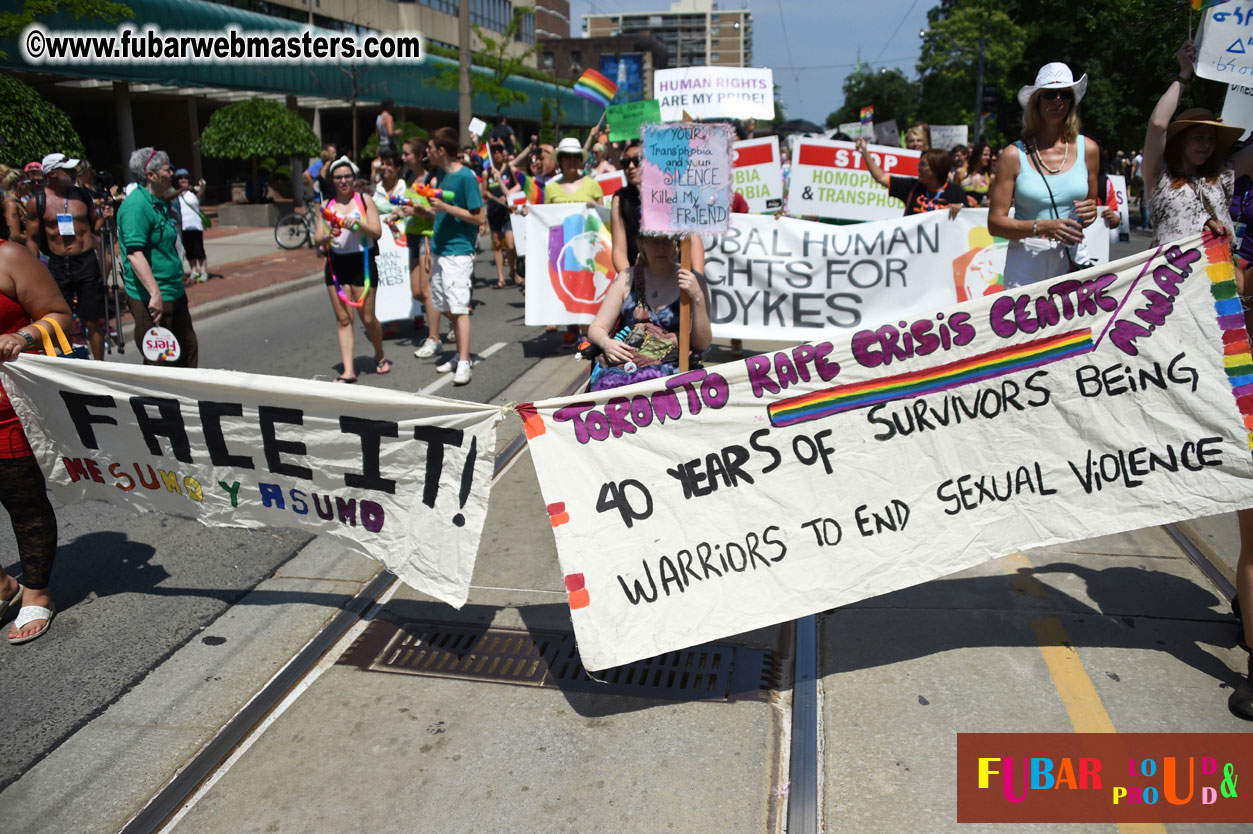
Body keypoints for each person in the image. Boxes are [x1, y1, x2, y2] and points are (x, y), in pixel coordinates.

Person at [0, 240, 72, 644]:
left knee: (23, 503)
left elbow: (59, 315)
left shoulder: (7, 258)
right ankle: (2, 586)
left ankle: (36, 591)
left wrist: (22, 336)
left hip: (8, 410)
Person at [987, 62, 1099, 288]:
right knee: (1022, 323)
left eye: (1065, 94)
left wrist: (1091, 213)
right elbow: (995, 224)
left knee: (1075, 324)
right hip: (1026, 259)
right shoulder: (1013, 154)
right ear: (1036, 101)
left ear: (1072, 102)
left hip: (1072, 257)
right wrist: (1043, 227)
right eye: (1049, 95)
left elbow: (1089, 208)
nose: (1057, 100)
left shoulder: (1088, 149)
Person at [587, 233, 711, 392]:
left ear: (676, 244)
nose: (661, 248)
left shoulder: (694, 280)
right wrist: (606, 343)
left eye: (666, 241)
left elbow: (702, 343)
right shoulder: (627, 277)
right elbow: (597, 327)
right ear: (642, 243)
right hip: (623, 368)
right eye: (654, 241)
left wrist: (698, 297)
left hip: (670, 372)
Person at [118, 147, 199, 367]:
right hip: (150, 298)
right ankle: (163, 402)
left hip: (173, 290)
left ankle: (187, 401)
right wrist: (154, 293)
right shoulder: (136, 206)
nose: (171, 173)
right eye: (167, 170)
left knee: (188, 350)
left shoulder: (158, 202)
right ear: (151, 175)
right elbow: (135, 254)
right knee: (162, 363)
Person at [25, 153, 110, 361]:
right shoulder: (38, 202)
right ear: (52, 174)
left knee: (93, 320)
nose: (74, 173)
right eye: (68, 170)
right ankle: (68, 364)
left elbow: (95, 227)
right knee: (60, 320)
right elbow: (32, 239)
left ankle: (99, 367)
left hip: (86, 261)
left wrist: (106, 217)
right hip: (58, 265)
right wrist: (34, 272)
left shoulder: (82, 195)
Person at [312, 156, 388, 382]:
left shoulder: (364, 200)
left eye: (347, 177)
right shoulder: (326, 205)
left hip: (362, 263)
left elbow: (377, 231)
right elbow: (318, 237)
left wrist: (358, 224)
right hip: (336, 264)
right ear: (332, 181)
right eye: (338, 178)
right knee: (344, 318)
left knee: (367, 317)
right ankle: (348, 371)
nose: (343, 181)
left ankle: (379, 354)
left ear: (354, 179)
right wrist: (329, 234)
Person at [426, 127, 485, 385]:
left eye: (429, 149)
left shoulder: (466, 178)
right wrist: (416, 210)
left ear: (441, 151)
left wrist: (446, 207)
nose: (426, 154)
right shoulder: (441, 174)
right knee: (447, 306)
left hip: (458, 253)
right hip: (440, 250)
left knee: (459, 308)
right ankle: (459, 354)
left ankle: (463, 362)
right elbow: (440, 213)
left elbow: (478, 217)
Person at [398, 137, 441, 358]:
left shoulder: (431, 180)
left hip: (427, 238)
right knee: (416, 292)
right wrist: (398, 213)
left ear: (418, 155)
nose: (403, 158)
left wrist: (418, 212)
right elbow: (407, 207)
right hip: (412, 237)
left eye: (406, 154)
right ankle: (452, 318)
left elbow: (438, 214)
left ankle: (434, 338)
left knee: (426, 291)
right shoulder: (408, 178)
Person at [856, 137, 969, 217]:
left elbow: (971, 217)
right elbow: (881, 178)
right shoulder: (912, 187)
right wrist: (865, 153)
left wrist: (961, 208)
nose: (918, 167)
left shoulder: (956, 192)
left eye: (922, 164)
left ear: (936, 168)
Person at [482, 142, 522, 289]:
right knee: (497, 244)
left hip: (508, 211)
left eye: (499, 151)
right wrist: (492, 197)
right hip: (494, 211)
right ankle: (500, 278)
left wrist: (508, 195)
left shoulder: (509, 169)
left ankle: (512, 270)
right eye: (494, 152)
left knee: (510, 245)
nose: (496, 154)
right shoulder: (487, 172)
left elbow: (519, 185)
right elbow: (484, 192)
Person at [174, 169, 209, 284]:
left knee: (199, 249)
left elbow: (201, 189)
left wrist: (202, 185)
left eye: (185, 177)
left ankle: (203, 271)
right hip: (183, 227)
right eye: (180, 178)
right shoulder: (176, 194)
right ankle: (194, 271)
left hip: (195, 225)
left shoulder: (193, 192)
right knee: (189, 250)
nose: (183, 180)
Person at [962, 140, 994, 205]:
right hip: (961, 214)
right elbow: (953, 195)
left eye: (989, 155)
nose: (988, 158)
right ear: (977, 154)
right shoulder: (961, 172)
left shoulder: (990, 177)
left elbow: (990, 199)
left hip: (979, 213)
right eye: (985, 155)